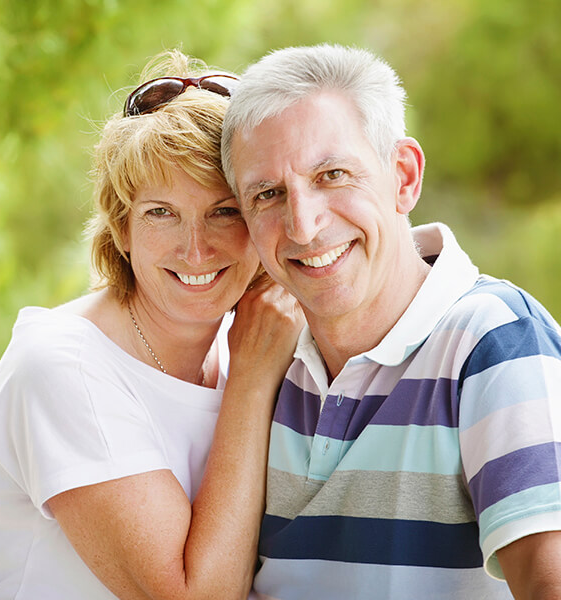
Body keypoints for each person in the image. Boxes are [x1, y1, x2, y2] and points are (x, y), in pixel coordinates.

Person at [221, 43, 561, 599]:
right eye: (268, 194)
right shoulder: (263, 360)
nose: (303, 226)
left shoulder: (496, 340)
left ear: (403, 177)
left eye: (332, 174)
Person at [0, 50, 302, 600]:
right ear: (121, 229)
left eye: (225, 211)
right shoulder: (62, 366)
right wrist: (252, 377)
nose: (196, 248)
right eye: (160, 212)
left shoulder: (241, 336)